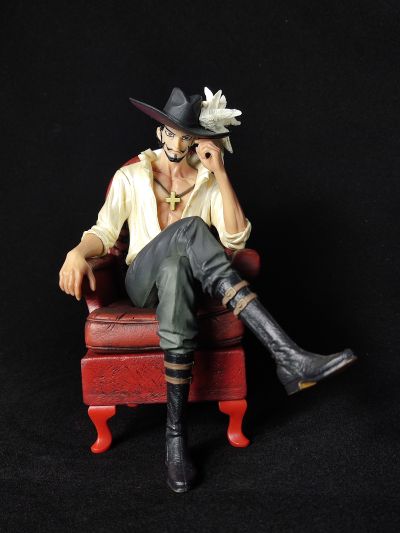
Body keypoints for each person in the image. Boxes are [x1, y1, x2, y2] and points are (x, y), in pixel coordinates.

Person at [59, 86, 357, 493]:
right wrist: (77, 252)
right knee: (191, 230)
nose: (177, 144)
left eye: (186, 137)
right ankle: (285, 353)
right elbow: (104, 231)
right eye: (171, 133)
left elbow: (236, 239)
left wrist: (220, 173)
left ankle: (175, 437)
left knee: (176, 268)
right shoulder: (131, 176)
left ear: (197, 141)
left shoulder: (207, 181)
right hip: (140, 282)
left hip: (182, 285)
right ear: (159, 132)